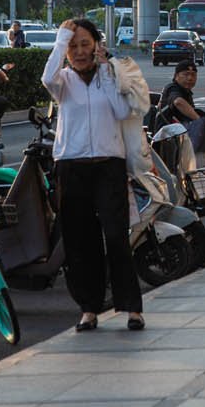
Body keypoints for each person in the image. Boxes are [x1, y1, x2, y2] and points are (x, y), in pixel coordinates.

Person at [42, 18, 144, 332]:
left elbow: (122, 111)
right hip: (71, 167)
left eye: (85, 44)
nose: (79, 51)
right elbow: (46, 77)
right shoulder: (63, 81)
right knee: (79, 242)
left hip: (108, 166)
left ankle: (132, 308)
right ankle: (89, 308)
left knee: (116, 236)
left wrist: (110, 71)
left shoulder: (108, 76)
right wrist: (62, 38)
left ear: (97, 45)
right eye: (74, 46)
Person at [157, 60, 205, 151]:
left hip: (178, 137)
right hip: (168, 141)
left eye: (193, 75)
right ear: (176, 76)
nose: (190, 78)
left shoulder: (186, 92)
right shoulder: (173, 88)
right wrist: (199, 120)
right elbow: (178, 102)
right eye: (186, 74)